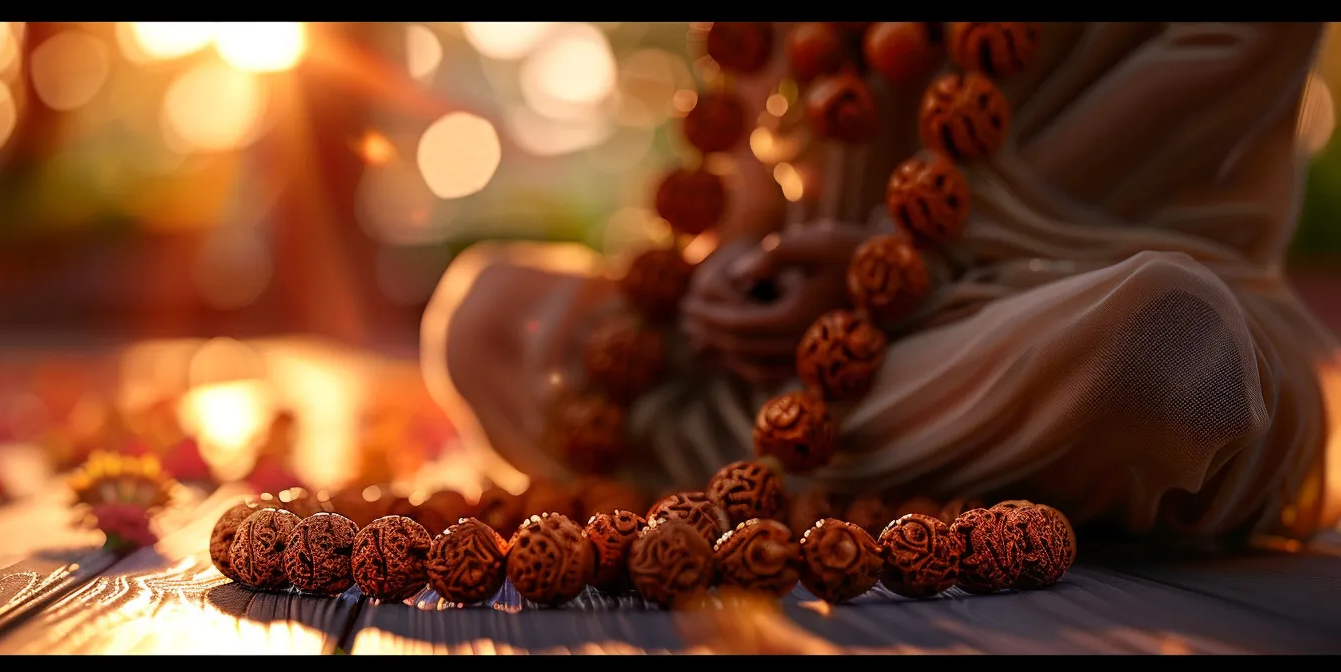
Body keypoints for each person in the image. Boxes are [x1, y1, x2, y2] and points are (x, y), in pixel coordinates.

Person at [424, 22, 1341, 545]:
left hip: (1030, 308)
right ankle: (844, 474)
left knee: (1174, 351)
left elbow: (1174, 114)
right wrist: (733, 268)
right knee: (486, 314)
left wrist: (904, 267)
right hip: (800, 355)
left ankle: (773, 468)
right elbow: (767, 117)